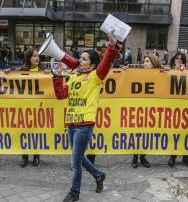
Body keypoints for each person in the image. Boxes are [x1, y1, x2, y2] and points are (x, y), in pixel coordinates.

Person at [52, 31, 118, 202]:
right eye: (80, 58)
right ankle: (98, 175)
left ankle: (74, 193)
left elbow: (106, 63)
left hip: (84, 124)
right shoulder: (73, 77)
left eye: (84, 59)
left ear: (93, 64)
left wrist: (111, 47)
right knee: (78, 157)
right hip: (71, 123)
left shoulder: (96, 77)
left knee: (75, 162)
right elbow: (60, 95)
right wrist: (57, 76)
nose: (80, 60)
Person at [130, 54, 161, 168]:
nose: (144, 63)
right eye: (144, 61)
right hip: (139, 108)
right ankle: (135, 158)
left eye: (147, 61)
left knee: (147, 134)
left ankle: (142, 157)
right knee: (137, 133)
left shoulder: (161, 75)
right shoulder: (138, 74)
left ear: (154, 63)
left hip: (152, 109)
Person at [168, 53, 188, 168]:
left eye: (181, 59)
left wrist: (184, 72)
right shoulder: (167, 70)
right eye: (177, 58)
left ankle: (186, 157)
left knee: (187, 132)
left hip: (186, 106)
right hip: (172, 106)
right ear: (174, 60)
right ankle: (173, 156)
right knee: (175, 133)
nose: (179, 60)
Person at [19, 47, 43, 167]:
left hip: (38, 108)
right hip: (25, 107)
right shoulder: (20, 71)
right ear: (28, 58)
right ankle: (24, 156)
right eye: (34, 56)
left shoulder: (43, 71)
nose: (37, 58)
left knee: (36, 132)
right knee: (25, 132)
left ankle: (36, 155)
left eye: (38, 55)